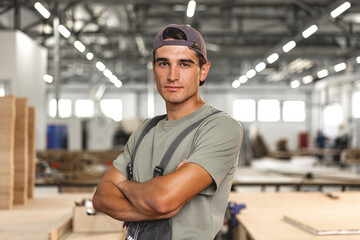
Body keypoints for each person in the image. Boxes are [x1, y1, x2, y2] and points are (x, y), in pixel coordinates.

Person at [92, 24, 243, 240]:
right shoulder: (145, 129)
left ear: (203, 71)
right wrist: (151, 207)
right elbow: (100, 198)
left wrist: (124, 186)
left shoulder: (220, 127)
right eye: (164, 63)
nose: (172, 75)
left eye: (185, 64)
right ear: (154, 69)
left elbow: (162, 200)